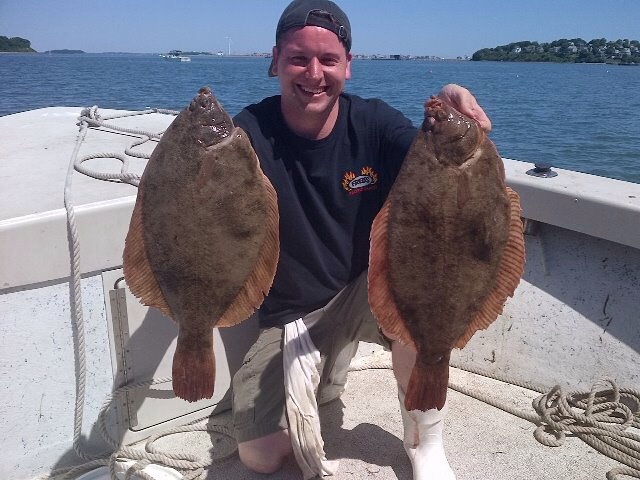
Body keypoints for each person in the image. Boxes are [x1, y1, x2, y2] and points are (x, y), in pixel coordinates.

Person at [229, 0, 491, 478]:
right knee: (260, 456)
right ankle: (328, 369)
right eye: (298, 59)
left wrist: (452, 119)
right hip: (295, 312)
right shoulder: (247, 134)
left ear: (347, 65)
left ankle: (426, 445)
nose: (314, 73)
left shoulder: (374, 123)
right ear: (275, 61)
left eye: (328, 60)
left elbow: (441, 166)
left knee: (422, 319)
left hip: (373, 284)